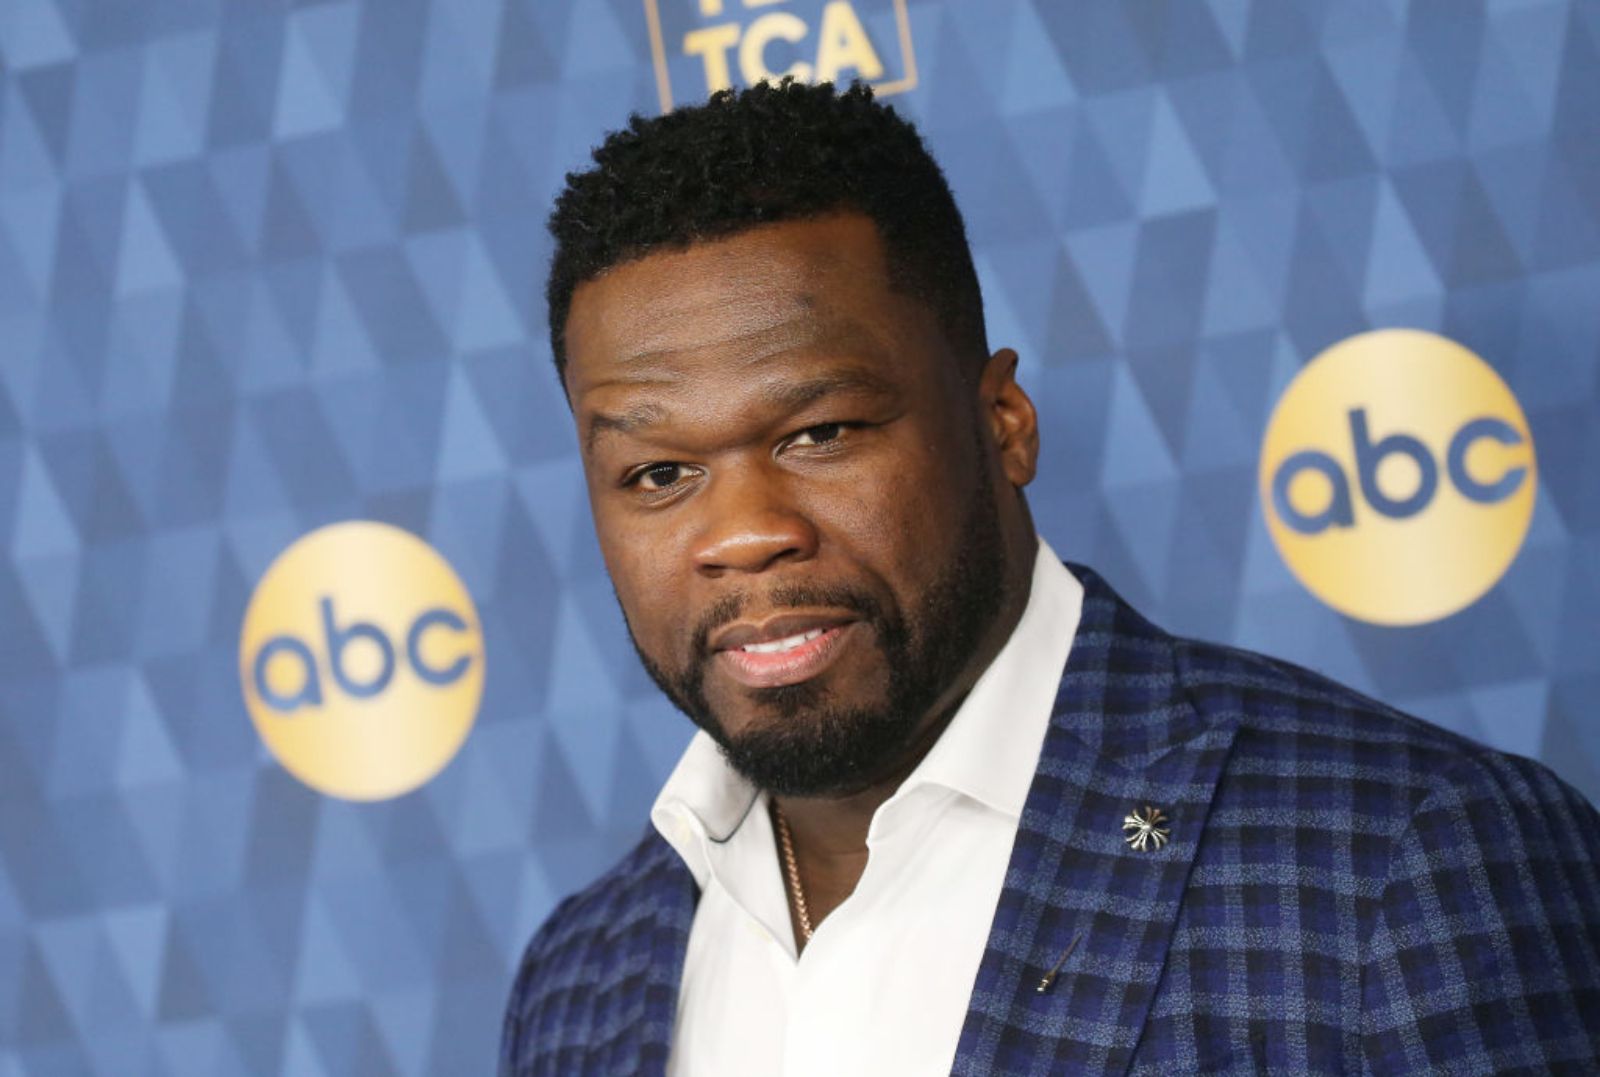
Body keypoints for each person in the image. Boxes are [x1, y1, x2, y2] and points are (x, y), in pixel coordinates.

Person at [499, 79, 1600, 1076]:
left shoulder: (1407, 860)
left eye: (820, 431)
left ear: (1002, 423)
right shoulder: (579, 984)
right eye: (656, 471)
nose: (741, 534)